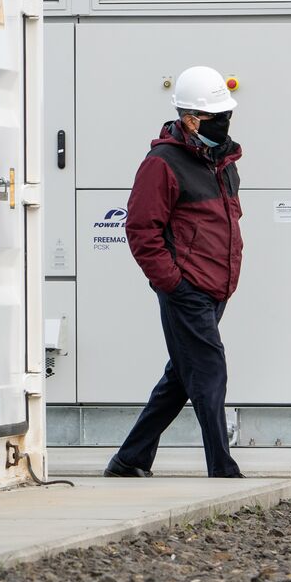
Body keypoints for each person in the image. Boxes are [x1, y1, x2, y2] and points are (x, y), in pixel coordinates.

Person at [105, 65, 246, 479]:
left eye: (226, 114)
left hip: (215, 288)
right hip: (189, 290)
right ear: (190, 119)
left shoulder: (223, 163)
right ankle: (222, 466)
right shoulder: (162, 163)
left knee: (182, 377)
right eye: (216, 116)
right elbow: (140, 229)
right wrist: (173, 284)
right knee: (209, 370)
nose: (225, 123)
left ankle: (129, 459)